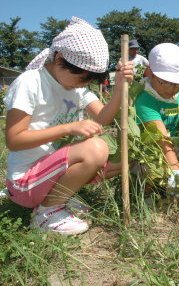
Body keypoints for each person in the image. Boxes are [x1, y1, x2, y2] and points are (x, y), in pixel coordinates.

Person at [3, 16, 133, 235]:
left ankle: (60, 199)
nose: (83, 84)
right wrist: (69, 128)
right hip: (24, 182)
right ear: (61, 58)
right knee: (96, 148)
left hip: (48, 174)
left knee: (122, 162)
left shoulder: (77, 88)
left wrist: (119, 87)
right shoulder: (30, 82)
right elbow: (14, 140)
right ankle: (46, 214)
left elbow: (103, 119)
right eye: (81, 78)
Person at [135, 43, 179, 194]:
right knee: (149, 169)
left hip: (177, 143)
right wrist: (175, 168)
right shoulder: (145, 100)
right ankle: (151, 193)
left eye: (177, 84)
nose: (171, 89)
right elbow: (162, 139)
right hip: (152, 148)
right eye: (166, 82)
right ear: (150, 73)